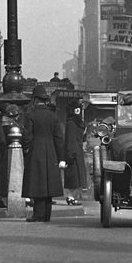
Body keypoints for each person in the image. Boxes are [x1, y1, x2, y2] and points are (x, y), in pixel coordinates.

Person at [22, 83, 65, 222]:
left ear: (35, 99)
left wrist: (26, 149)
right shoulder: (53, 116)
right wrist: (61, 157)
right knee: (48, 183)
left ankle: (38, 214)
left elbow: (27, 136)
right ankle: (47, 214)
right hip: (51, 150)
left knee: (37, 182)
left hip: (36, 150)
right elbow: (59, 138)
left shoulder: (30, 115)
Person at [62, 104, 88, 205]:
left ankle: (72, 197)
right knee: (73, 176)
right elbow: (70, 139)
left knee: (75, 176)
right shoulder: (72, 123)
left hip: (76, 151)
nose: (78, 112)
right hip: (74, 151)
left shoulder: (75, 123)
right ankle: (70, 197)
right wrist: (70, 154)